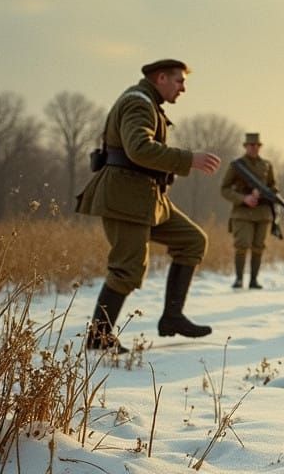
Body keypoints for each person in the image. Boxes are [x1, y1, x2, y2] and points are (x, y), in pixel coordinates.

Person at [77, 59, 222, 352]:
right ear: (161, 78)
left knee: (192, 240)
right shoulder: (138, 103)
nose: (183, 88)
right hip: (125, 199)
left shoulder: (148, 103)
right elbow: (138, 148)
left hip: (147, 198)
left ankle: (172, 317)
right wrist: (187, 159)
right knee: (127, 269)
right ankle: (99, 337)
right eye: (179, 81)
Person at [220, 132, 278, 289]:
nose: (254, 148)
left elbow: (273, 187)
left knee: (259, 246)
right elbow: (225, 189)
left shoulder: (267, 165)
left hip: (263, 212)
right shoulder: (237, 165)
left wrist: (265, 193)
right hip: (242, 213)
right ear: (246, 146)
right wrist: (243, 198)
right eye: (251, 145)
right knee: (242, 244)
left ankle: (254, 280)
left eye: (257, 145)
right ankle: (239, 279)